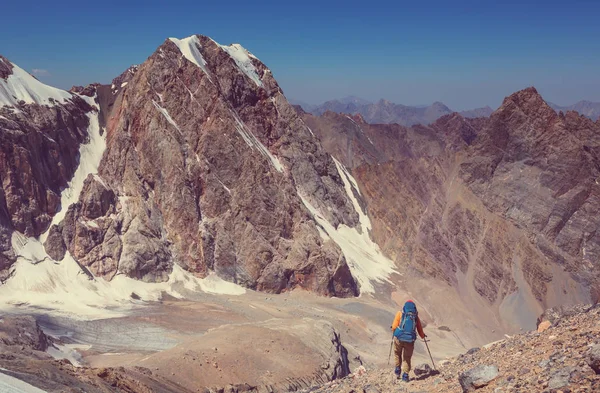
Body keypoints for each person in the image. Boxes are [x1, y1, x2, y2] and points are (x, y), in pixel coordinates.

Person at [391, 300, 426, 382]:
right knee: (407, 358)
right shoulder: (415, 317)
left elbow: (393, 327)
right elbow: (420, 331)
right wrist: (423, 336)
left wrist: (396, 333)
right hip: (410, 340)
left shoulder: (400, 313)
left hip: (399, 338)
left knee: (397, 353)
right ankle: (405, 375)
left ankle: (397, 370)